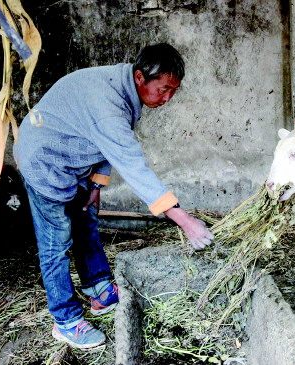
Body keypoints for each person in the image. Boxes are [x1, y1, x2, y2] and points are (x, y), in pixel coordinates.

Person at [14, 43, 214, 350]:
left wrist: (96, 184)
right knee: (56, 243)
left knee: (86, 222)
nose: (167, 98)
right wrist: (184, 220)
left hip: (74, 159)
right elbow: (133, 165)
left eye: (173, 90)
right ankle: (66, 322)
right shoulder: (107, 103)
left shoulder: (123, 91)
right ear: (139, 78)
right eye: (163, 89)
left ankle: (99, 290)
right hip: (44, 160)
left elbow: (105, 142)